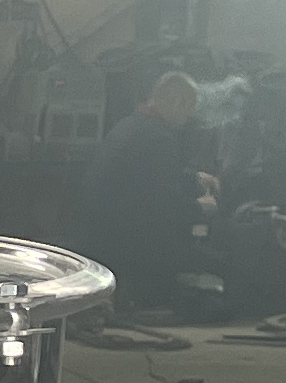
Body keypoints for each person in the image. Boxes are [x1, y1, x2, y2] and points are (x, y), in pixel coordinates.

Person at [74, 70, 219, 315]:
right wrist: (200, 207)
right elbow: (161, 206)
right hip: (128, 243)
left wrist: (193, 179)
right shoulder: (158, 139)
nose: (191, 115)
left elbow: (147, 180)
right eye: (189, 107)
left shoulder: (131, 125)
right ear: (177, 103)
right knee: (218, 263)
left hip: (100, 234)